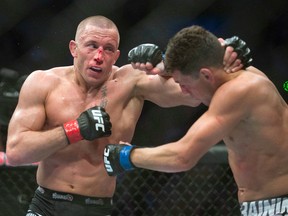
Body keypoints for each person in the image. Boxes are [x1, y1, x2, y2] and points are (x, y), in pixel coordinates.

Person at [6, 15, 250, 216]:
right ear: (74, 48)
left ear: (117, 55)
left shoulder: (131, 81)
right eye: (91, 46)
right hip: (46, 206)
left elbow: (192, 94)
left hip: (99, 208)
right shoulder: (43, 83)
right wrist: (74, 130)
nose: (99, 56)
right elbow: (17, 153)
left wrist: (167, 63)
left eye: (108, 49)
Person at [104, 25, 288, 216]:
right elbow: (205, 48)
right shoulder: (239, 76)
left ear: (206, 75)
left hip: (279, 205)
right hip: (264, 204)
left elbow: (182, 156)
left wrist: (125, 156)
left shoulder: (238, 91)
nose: (183, 92)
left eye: (184, 85)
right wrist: (162, 65)